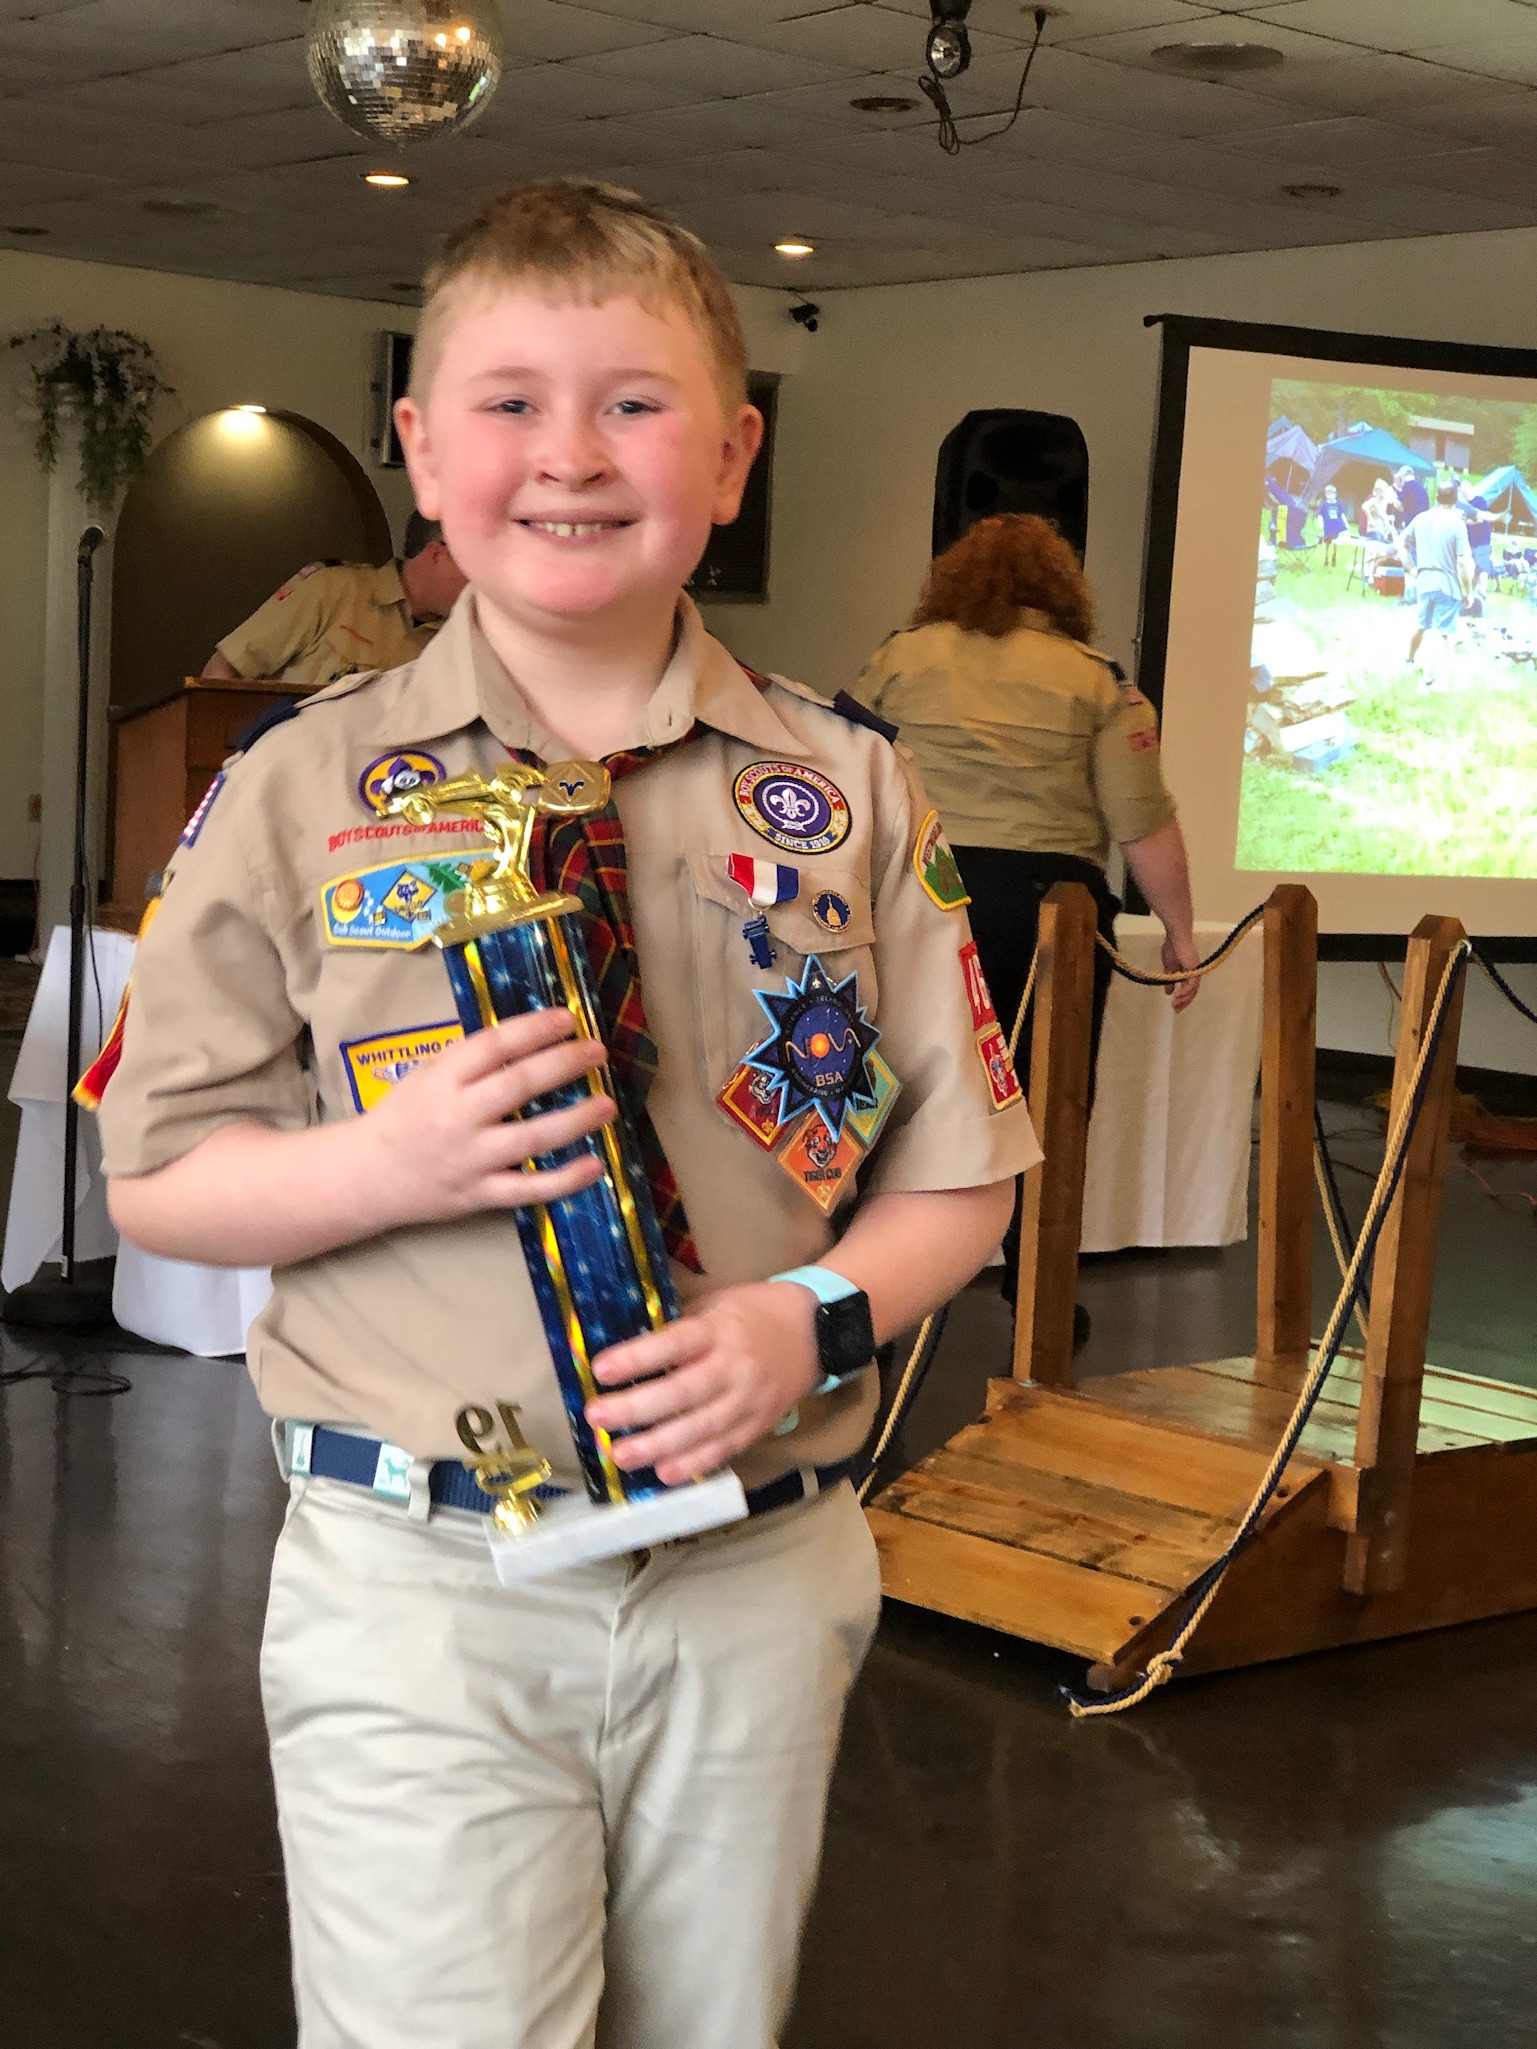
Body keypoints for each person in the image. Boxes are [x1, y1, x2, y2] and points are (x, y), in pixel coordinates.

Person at [94, 177, 1036, 2048]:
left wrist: (807, 1319)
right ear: (424, 451)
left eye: (635, 402)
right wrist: (384, 1161)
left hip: (754, 1570)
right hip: (422, 1580)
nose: (572, 455)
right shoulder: (296, 785)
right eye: (511, 402)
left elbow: (962, 1175)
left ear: (732, 455)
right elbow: (163, 1178)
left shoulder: (849, 787)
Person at [850, 515, 1199, 1311]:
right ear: (1062, 589)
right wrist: (1179, 930)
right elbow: (1141, 818)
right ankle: (1039, 1298)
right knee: (1048, 1104)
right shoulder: (1096, 680)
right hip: (1049, 915)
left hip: (916, 897)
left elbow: (840, 769)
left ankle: (878, 1297)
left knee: (893, 1097)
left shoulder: (899, 657)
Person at [200, 510, 467, 689]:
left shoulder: (462, 637)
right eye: (475, 562)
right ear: (437, 554)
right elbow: (222, 672)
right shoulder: (333, 589)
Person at [1400, 479, 1475, 680]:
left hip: (1424, 581)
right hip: (1446, 584)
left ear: (1436, 497)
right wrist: (1468, 592)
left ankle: (1409, 661)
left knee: (1421, 625)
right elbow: (1462, 562)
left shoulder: (1421, 518)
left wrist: (1411, 568)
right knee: (1442, 634)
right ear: (1455, 499)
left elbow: (1402, 544)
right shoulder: (1457, 524)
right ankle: (1429, 681)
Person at [1319, 483, 1347, 566]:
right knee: (1327, 542)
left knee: (1335, 542)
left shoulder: (1338, 504)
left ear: (1335, 494)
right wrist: (1320, 522)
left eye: (1331, 493)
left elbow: (1341, 514)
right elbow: (1321, 515)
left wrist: (1346, 523)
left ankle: (1334, 555)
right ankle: (1326, 557)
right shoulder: (1324, 505)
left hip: (1336, 526)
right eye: (1327, 493)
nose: (1329, 495)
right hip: (1328, 526)